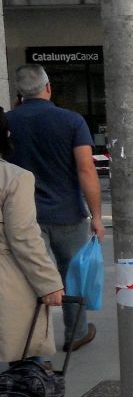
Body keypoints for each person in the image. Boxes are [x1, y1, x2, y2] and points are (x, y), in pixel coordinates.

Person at [6, 64, 103, 351]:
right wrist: (96, 215)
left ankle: (37, 347)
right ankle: (76, 333)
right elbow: (86, 169)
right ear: (48, 87)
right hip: (68, 214)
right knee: (72, 274)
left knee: (31, 280)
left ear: (20, 93)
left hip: (22, 216)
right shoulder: (71, 121)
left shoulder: (8, 122)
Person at [1, 105, 65, 365]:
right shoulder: (14, 178)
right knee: (25, 353)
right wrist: (49, 283)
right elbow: (23, 236)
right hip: (8, 277)